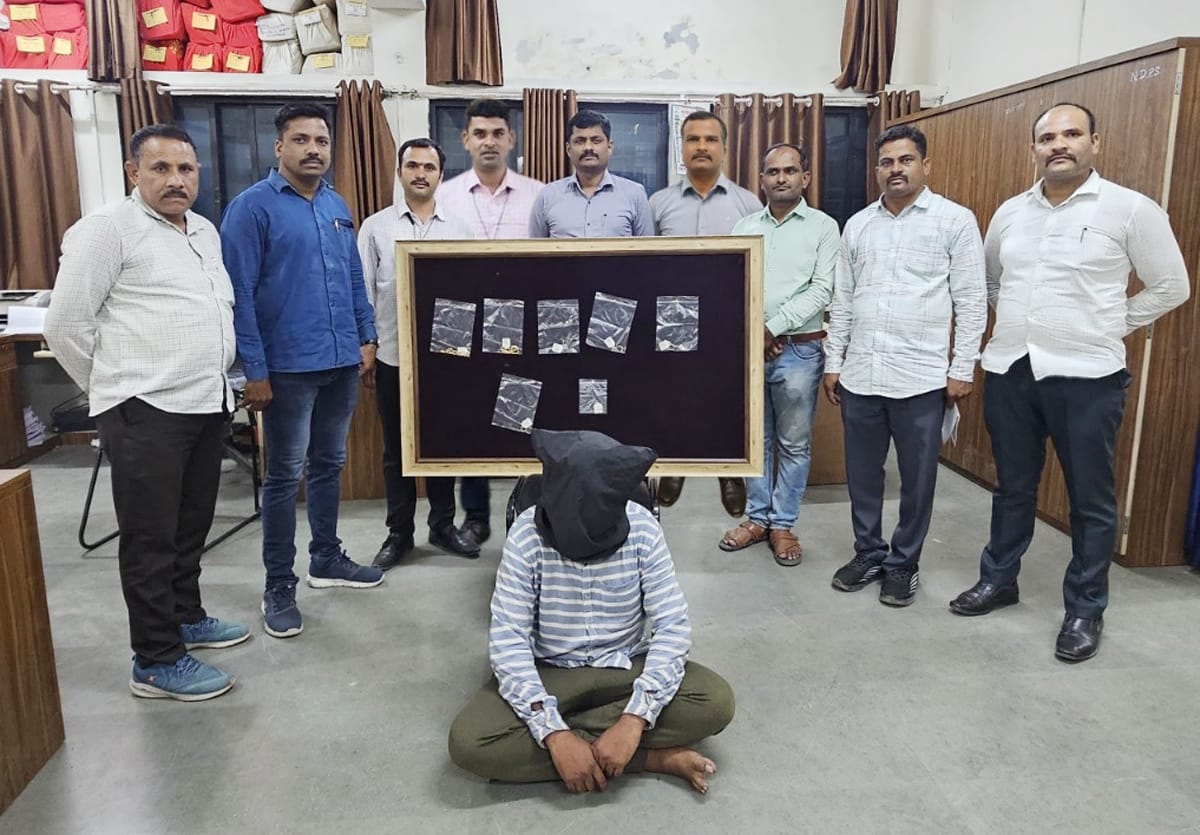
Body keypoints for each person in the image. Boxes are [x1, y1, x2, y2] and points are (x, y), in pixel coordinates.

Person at [949, 103, 1189, 661]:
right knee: (1012, 488)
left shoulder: (1130, 209)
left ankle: (1084, 609)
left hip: (1087, 376)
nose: (1059, 144)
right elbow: (991, 280)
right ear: (1033, 149)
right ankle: (999, 580)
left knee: (1090, 497)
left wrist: (1111, 323)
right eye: (1047, 137)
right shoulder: (1011, 212)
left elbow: (1171, 285)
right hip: (1011, 369)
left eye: (1072, 134)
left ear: (1094, 143)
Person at [45, 124, 247, 701]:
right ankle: (155, 660)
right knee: (150, 537)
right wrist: (116, 389)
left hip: (205, 402)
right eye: (161, 168)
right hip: (144, 410)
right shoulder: (107, 230)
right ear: (134, 173)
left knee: (190, 526)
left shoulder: (203, 230)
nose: (175, 180)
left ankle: (185, 617)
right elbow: (65, 325)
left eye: (186, 169)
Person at [448, 429, 735, 794]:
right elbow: (509, 642)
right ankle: (650, 758)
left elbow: (672, 628)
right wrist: (554, 734)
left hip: (626, 667)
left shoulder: (643, 529)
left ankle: (591, 746)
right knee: (470, 741)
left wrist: (634, 719)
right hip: (551, 671)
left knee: (715, 701)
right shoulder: (525, 535)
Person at [221, 103, 383, 640]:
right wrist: (254, 370)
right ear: (279, 147)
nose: (314, 149)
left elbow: (354, 278)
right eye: (301, 140)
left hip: (340, 362)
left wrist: (366, 336)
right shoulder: (252, 208)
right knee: (284, 476)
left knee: (329, 464)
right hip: (286, 368)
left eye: (321, 140)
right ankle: (278, 585)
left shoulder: (336, 204)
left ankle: (326, 558)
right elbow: (239, 295)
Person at [823, 125, 987, 607]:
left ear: (925, 165)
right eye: (887, 162)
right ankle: (869, 553)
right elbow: (843, 300)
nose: (896, 170)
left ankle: (903, 563)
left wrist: (962, 368)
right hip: (862, 374)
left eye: (906, 160)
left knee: (917, 480)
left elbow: (971, 300)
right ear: (877, 170)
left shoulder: (954, 221)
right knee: (863, 476)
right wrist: (835, 361)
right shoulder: (858, 225)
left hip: (921, 377)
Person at [358, 138, 480, 570]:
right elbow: (364, 292)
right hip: (393, 356)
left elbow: (472, 294)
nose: (421, 173)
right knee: (396, 450)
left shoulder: (461, 229)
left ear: (441, 175)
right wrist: (368, 345)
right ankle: (399, 534)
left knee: (441, 446)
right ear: (400, 172)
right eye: (413, 166)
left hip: (446, 360)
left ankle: (443, 526)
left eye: (429, 167)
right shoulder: (376, 227)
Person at [718, 143, 840, 567]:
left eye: (790, 170)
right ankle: (757, 519)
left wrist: (771, 328)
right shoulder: (745, 226)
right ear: (762, 180)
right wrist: (755, 331)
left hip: (799, 351)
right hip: (751, 349)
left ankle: (783, 524)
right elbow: (731, 281)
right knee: (755, 441)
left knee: (793, 443)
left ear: (806, 177)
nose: (781, 178)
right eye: (773, 172)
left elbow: (822, 289)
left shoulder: (824, 227)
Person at [436, 98, 545, 548]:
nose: (489, 142)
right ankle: (476, 516)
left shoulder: (539, 194)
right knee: (472, 418)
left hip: (525, 322)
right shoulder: (444, 195)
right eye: (479, 133)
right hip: (464, 322)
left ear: (511, 139)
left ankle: (533, 508)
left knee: (528, 413)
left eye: (498, 133)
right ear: (465, 140)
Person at [650, 110, 762, 518]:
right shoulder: (658, 203)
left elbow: (758, 266)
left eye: (710, 139)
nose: (701, 146)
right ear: (681, 148)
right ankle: (676, 463)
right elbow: (643, 264)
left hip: (726, 318)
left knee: (726, 397)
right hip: (670, 317)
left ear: (725, 148)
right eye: (693, 139)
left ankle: (728, 471)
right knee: (674, 395)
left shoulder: (748, 204)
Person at [529, 109, 652, 238]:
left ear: (609, 147)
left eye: (596, 140)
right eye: (580, 141)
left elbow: (648, 249)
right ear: (568, 149)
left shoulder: (634, 195)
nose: (588, 147)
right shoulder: (547, 196)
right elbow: (534, 249)